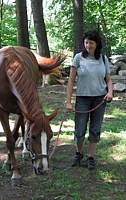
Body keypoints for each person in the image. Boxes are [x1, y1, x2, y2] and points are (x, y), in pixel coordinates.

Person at [66, 30, 113, 170]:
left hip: (100, 99)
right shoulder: (78, 58)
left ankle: (90, 156)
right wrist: (68, 102)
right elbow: (71, 81)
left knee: (95, 129)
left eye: (91, 43)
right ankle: (78, 153)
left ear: (97, 44)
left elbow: (109, 80)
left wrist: (110, 92)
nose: (88, 45)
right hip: (82, 99)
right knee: (79, 129)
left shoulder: (103, 59)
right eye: (86, 42)